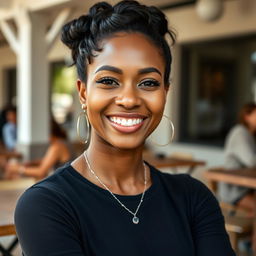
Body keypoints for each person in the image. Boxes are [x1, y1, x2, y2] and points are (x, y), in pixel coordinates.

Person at [15, 1, 235, 255]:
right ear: (83, 93)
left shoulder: (193, 198)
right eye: (109, 81)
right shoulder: (46, 206)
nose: (129, 99)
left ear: (165, 92)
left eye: (148, 82)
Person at [218, 103, 256, 213]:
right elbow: (251, 161)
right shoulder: (240, 132)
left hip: (248, 188)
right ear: (247, 117)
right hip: (234, 191)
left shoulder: (251, 135)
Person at [5, 119, 72, 180]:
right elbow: (48, 160)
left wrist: (18, 169)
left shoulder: (57, 147)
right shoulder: (63, 142)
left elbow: (41, 172)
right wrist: (31, 163)